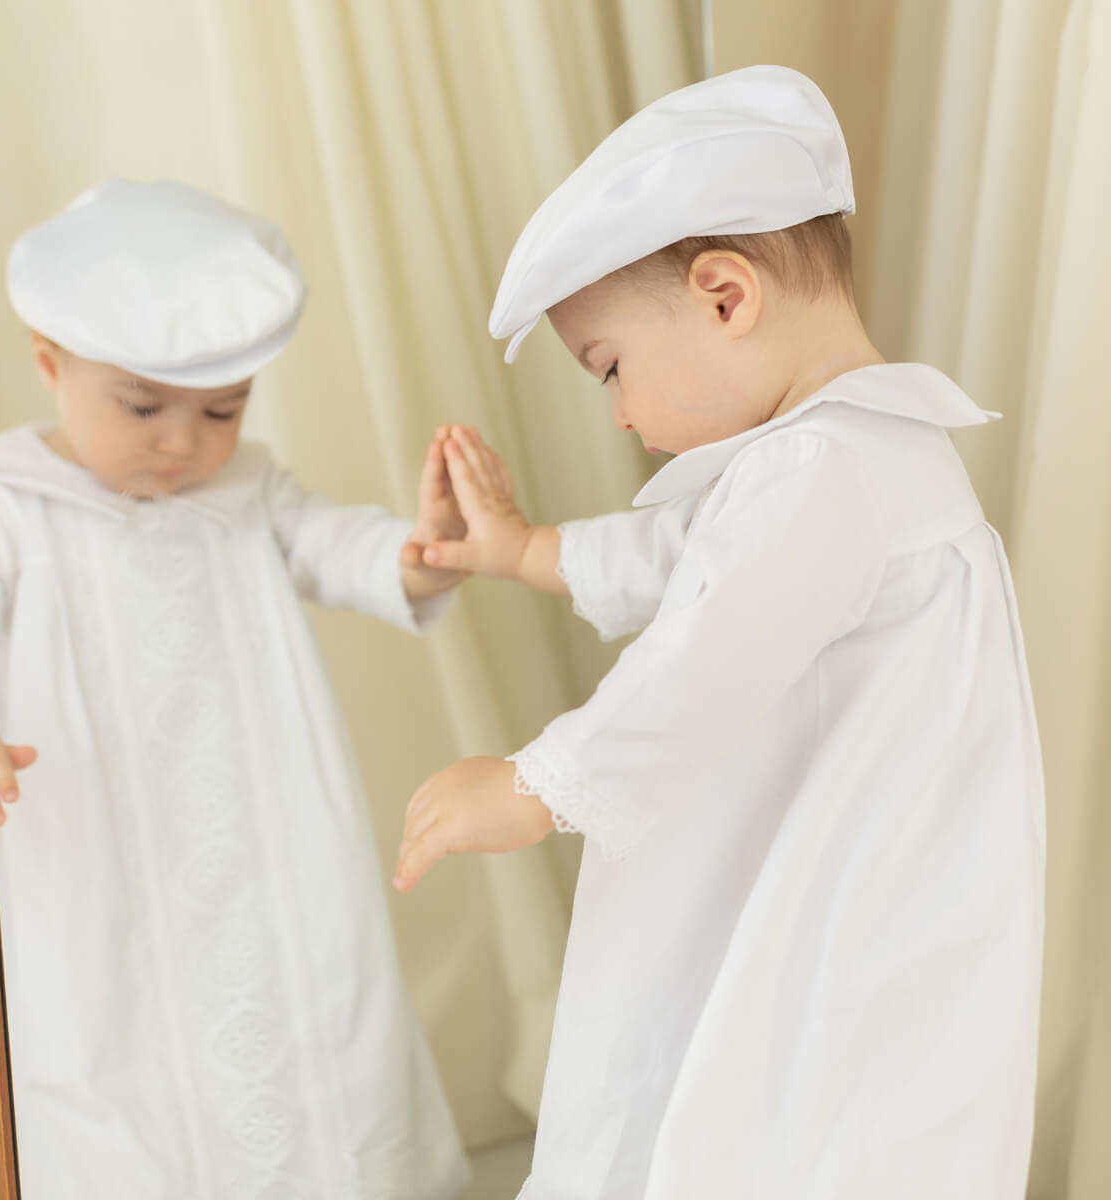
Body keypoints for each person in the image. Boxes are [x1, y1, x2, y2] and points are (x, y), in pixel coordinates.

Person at [394, 66, 1045, 1200]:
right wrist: (526, 547)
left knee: (774, 1098)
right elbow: (696, 568)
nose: (619, 413)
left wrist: (536, 784)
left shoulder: (822, 469)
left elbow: (704, 657)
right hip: (840, 864)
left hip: (838, 884)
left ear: (725, 295)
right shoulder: (844, 456)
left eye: (611, 368)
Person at [0, 178, 469, 1200]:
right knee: (117, 1052)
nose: (182, 442)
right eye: (143, 405)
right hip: (99, 846)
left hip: (267, 831)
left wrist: (425, 552)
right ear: (49, 364)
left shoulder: (246, 491)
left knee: (311, 1022)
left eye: (222, 411)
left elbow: (341, 547)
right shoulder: (0, 502)